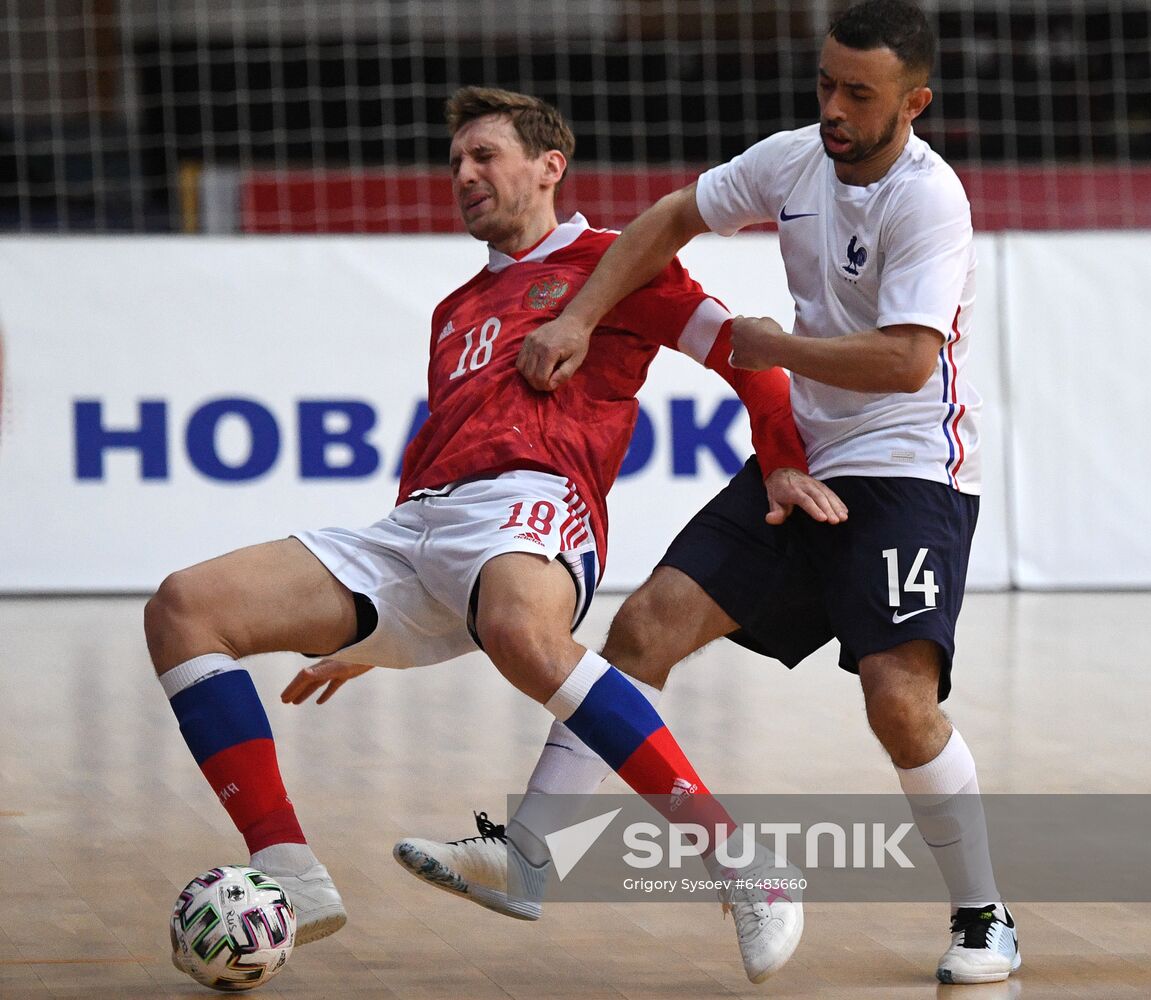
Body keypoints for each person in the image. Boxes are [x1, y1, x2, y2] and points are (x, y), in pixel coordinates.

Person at [335, 0, 1019, 986]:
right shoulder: (790, 158)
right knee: (644, 628)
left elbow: (909, 361)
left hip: (910, 465)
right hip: (808, 455)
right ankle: (528, 853)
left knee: (895, 698)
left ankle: (983, 912)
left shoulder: (929, 202)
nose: (830, 106)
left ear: (911, 102)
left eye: (855, 93)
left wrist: (773, 346)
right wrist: (579, 315)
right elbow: (666, 217)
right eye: (824, 82)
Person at [144, 85, 846, 984]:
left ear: (551, 165)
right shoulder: (453, 309)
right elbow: (437, 450)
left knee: (521, 630)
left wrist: (783, 459)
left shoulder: (612, 263)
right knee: (183, 609)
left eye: (484, 156)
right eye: (454, 165)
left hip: (537, 500)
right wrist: (372, 628)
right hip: (418, 525)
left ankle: (743, 865)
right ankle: (291, 870)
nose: (463, 176)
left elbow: (750, 360)